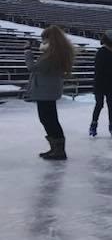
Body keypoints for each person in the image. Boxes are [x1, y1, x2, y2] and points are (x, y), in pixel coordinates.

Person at [25, 26, 75, 160]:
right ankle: (55, 148)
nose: (43, 42)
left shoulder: (52, 55)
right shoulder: (55, 53)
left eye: (45, 39)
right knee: (49, 119)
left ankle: (58, 150)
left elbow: (33, 68)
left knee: (48, 119)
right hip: (48, 90)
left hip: (45, 91)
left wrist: (28, 52)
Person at [90, 30, 112, 137]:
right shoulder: (102, 52)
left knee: (111, 105)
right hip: (100, 82)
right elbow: (99, 68)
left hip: (111, 83)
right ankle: (93, 124)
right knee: (99, 104)